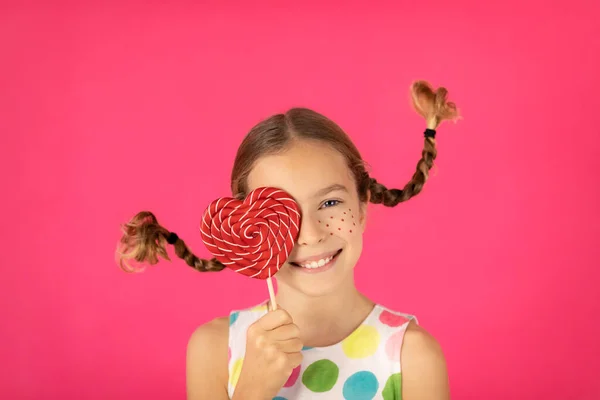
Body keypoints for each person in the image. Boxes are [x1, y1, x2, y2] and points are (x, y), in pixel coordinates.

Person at [116, 80, 460, 400]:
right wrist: (252, 388)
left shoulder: (411, 356)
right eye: (280, 213)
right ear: (247, 229)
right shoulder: (215, 349)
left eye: (329, 203)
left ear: (362, 207)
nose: (309, 234)